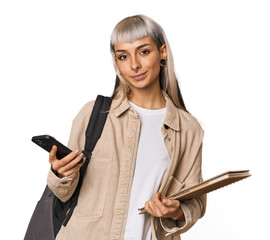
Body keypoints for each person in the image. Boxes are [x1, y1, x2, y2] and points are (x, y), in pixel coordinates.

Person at [47, 14, 206, 240]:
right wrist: (60, 173)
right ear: (117, 63)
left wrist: (176, 210)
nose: (134, 65)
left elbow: (195, 202)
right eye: (123, 56)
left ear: (162, 53)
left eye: (143, 51)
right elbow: (63, 194)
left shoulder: (188, 129)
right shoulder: (93, 114)